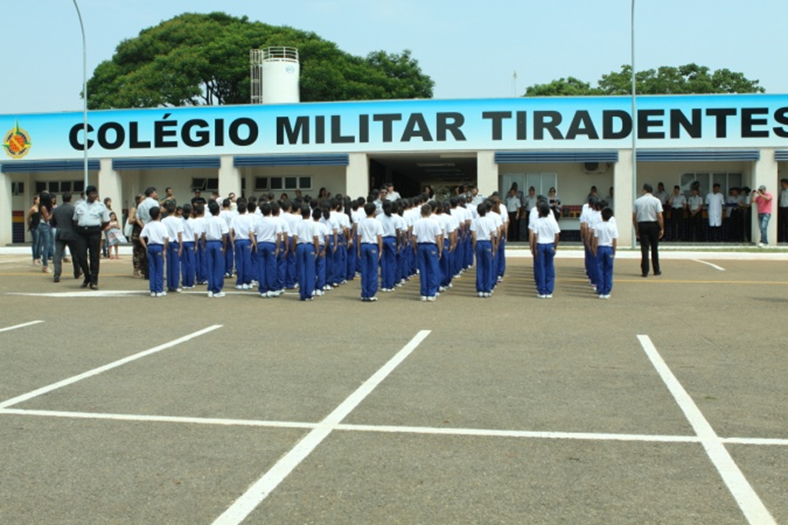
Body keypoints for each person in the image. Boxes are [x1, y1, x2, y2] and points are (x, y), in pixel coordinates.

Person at [73, 185, 110, 290]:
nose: (94, 196)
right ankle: (87, 276)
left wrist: (99, 229)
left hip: (95, 232)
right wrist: (78, 229)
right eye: (92, 194)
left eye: (96, 193)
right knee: (80, 255)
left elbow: (106, 221)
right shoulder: (79, 205)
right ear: (87, 194)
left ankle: (93, 281)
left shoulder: (101, 206)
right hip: (81, 232)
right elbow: (75, 220)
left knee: (94, 257)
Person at [411, 203, 442, 302]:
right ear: (430, 212)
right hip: (431, 245)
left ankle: (423, 293)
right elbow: (438, 238)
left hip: (420, 245)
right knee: (433, 270)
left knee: (423, 270)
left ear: (421, 212)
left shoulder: (417, 222)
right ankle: (431, 293)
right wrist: (440, 249)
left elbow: (413, 237)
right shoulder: (434, 222)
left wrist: (415, 247)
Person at [632, 183, 664, 277]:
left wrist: (636, 228)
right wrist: (661, 228)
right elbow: (659, 216)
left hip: (642, 224)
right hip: (653, 224)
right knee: (654, 247)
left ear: (645, 190)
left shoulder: (637, 201)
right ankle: (656, 269)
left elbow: (634, 217)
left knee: (644, 248)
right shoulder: (656, 201)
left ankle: (645, 271)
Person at [530, 202, 561, 298]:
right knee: (549, 267)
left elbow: (535, 236)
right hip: (550, 244)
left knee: (541, 268)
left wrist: (534, 248)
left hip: (540, 244)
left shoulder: (537, 221)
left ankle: (541, 291)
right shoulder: (552, 221)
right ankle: (549, 290)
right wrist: (555, 246)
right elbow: (557, 234)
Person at [50, 192, 81, 283]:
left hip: (60, 233)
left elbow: (52, 223)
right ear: (70, 199)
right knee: (75, 254)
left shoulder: (56, 210)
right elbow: (76, 222)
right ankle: (77, 271)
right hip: (72, 234)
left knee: (58, 255)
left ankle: (57, 274)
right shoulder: (73, 209)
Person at [139, 206, 169, 297]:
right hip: (159, 246)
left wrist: (146, 247)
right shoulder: (162, 225)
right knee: (159, 269)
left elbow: (141, 237)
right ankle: (159, 290)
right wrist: (164, 249)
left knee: (152, 269)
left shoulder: (148, 225)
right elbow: (167, 238)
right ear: (159, 214)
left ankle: (153, 290)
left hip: (150, 246)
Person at [357, 202, 383, 302]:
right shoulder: (377, 222)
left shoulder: (361, 222)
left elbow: (359, 237)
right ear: (374, 211)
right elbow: (379, 237)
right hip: (373, 245)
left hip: (364, 245)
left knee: (364, 270)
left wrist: (358, 249)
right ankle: (371, 293)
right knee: (373, 270)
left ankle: (364, 293)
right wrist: (380, 249)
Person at [291, 205, 319, 301]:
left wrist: (293, 249)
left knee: (301, 270)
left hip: (300, 246)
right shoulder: (313, 224)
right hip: (309, 246)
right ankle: (309, 293)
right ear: (310, 214)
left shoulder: (297, 224)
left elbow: (294, 237)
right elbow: (316, 238)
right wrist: (317, 250)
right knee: (310, 270)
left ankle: (302, 293)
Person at [202, 200, 228, 298]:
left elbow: (203, 235)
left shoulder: (206, 220)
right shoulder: (221, 220)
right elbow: (224, 235)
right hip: (217, 243)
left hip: (209, 243)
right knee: (218, 267)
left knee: (210, 266)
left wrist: (204, 245)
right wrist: (225, 247)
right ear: (218, 210)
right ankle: (217, 289)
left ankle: (210, 289)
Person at [470, 202, 497, 298]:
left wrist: (474, 246)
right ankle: (487, 289)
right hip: (487, 243)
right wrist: (493, 247)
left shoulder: (474, 221)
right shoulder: (490, 221)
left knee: (479, 266)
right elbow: (492, 235)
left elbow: (473, 236)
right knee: (488, 267)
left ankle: (480, 289)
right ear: (486, 211)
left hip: (479, 243)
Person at [592, 207, 618, 299]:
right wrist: (614, 251)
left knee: (599, 269)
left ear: (601, 216)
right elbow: (614, 240)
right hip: (609, 248)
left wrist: (594, 250)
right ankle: (607, 291)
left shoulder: (598, 226)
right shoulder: (613, 226)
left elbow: (595, 240)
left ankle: (600, 291)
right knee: (608, 270)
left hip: (600, 247)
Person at [161, 202, 184, 292]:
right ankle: (175, 285)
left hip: (166, 242)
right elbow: (179, 234)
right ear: (175, 210)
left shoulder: (163, 220)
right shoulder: (178, 220)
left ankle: (170, 285)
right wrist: (181, 246)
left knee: (168, 265)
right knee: (175, 265)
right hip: (174, 242)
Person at [37, 192, 54, 274]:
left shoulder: (44, 206)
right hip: (44, 225)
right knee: (46, 246)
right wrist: (52, 213)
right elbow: (47, 219)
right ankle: (45, 266)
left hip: (44, 225)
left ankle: (45, 263)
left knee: (47, 245)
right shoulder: (43, 207)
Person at [27, 195, 42, 266]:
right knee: (35, 242)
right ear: (35, 200)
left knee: (40, 242)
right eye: (38, 199)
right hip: (34, 227)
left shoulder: (40, 208)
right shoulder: (33, 209)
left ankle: (39, 257)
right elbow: (28, 217)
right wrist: (29, 225)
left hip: (39, 227)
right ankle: (35, 258)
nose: (39, 201)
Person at [778, 178, 788, 243]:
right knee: (780, 223)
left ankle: (787, 239)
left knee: (787, 224)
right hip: (781, 208)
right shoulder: (781, 191)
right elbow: (779, 199)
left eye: (783, 184)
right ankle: (780, 238)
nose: (782, 185)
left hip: (787, 208)